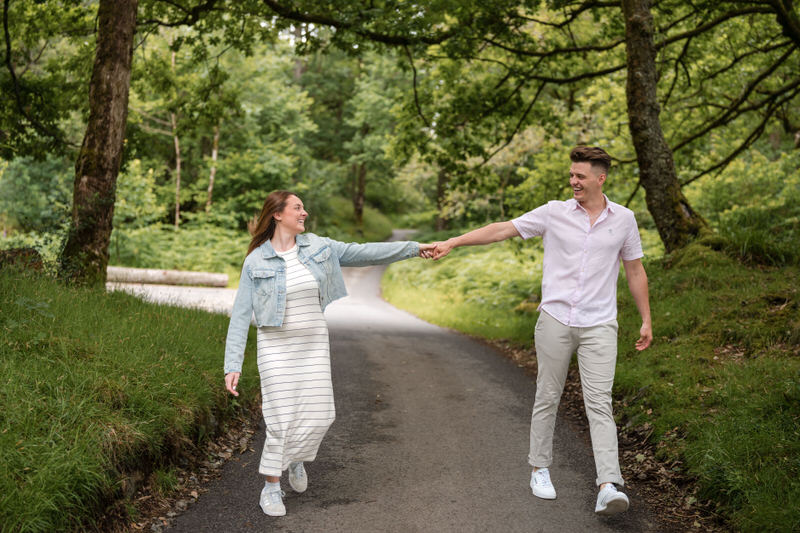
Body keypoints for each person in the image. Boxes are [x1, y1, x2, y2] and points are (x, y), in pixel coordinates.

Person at [432, 146, 652, 516]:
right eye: (571, 175)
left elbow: (634, 270)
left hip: (600, 324)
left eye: (580, 176)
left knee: (600, 403)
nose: (573, 181)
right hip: (555, 319)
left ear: (601, 178)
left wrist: (646, 318)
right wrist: (453, 242)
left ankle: (608, 484)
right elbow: (503, 229)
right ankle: (540, 468)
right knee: (547, 395)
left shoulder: (625, 220)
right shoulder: (554, 212)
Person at [223, 190, 433, 517]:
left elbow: (363, 253)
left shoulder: (319, 247)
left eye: (303, 208)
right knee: (280, 418)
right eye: (297, 208)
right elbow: (239, 314)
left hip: (312, 345)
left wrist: (413, 249)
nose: (304, 213)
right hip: (275, 348)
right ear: (277, 214)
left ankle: (295, 458)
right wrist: (232, 364)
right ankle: (271, 487)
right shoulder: (256, 261)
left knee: (321, 414)